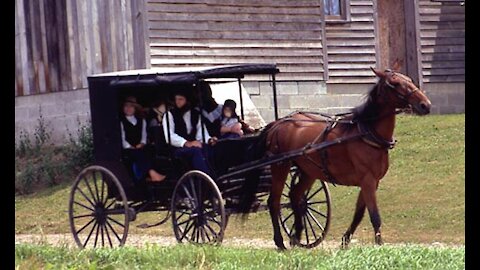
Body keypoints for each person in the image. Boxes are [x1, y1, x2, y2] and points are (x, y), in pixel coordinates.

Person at [163, 89, 217, 176]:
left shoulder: (195, 114)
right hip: (177, 148)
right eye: (176, 99)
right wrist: (186, 143)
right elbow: (169, 136)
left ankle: (215, 174)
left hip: (194, 145)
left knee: (209, 149)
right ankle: (206, 178)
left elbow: (201, 132)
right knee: (196, 151)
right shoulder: (169, 115)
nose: (177, 102)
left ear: (187, 100)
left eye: (180, 99)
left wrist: (209, 140)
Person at [120, 96, 166, 182]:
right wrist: (130, 146)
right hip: (128, 149)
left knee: (151, 150)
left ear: (135, 108)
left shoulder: (142, 121)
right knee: (137, 154)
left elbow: (143, 135)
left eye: (131, 106)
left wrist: (142, 143)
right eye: (126, 106)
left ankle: (152, 174)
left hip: (140, 147)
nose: (128, 108)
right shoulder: (121, 122)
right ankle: (151, 173)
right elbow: (123, 138)